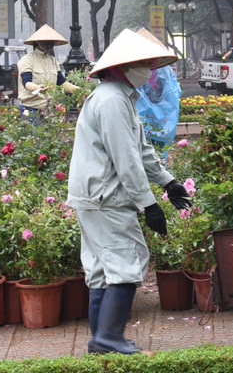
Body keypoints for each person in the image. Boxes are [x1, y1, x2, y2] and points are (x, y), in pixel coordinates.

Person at [68, 29, 191, 354]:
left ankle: (101, 340)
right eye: (145, 64)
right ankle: (108, 337)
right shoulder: (111, 101)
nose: (150, 71)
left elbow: (141, 150)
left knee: (100, 268)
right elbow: (126, 160)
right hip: (104, 196)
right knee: (127, 259)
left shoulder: (118, 97)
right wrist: (149, 205)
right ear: (125, 67)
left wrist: (168, 182)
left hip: (94, 195)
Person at [17, 25, 75, 118]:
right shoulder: (27, 60)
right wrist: (36, 87)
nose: (50, 45)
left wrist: (76, 89)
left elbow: (61, 82)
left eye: (52, 43)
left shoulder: (53, 61)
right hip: (30, 109)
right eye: (47, 42)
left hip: (49, 109)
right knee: (34, 133)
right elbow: (26, 82)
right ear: (38, 42)